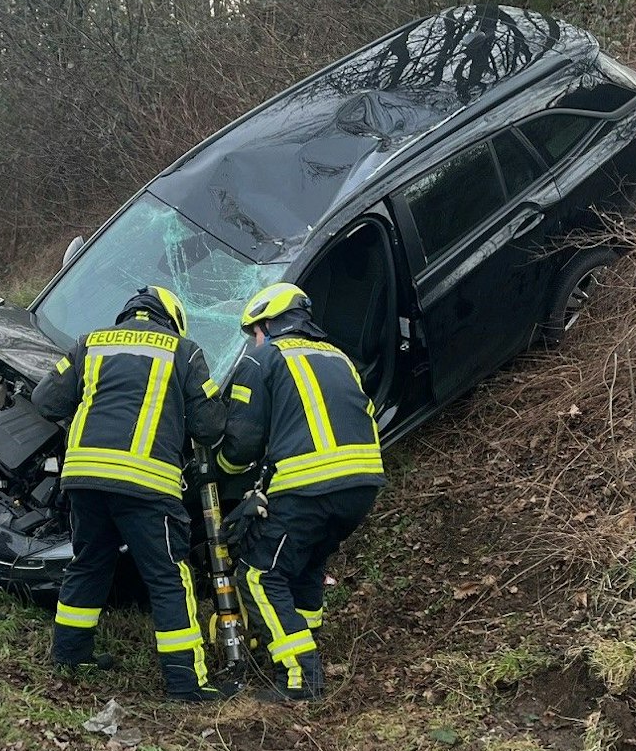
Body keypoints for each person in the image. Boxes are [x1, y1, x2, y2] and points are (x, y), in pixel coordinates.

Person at [31, 286, 235, 702]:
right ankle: (185, 683)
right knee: (168, 578)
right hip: (147, 485)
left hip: (85, 479)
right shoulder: (183, 351)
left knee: (88, 563)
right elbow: (210, 426)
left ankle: (69, 656)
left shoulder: (90, 343)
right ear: (173, 320)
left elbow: (46, 400)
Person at [219, 283, 384, 701]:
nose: (253, 341)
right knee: (306, 567)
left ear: (268, 324)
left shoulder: (264, 357)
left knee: (258, 575)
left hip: (307, 489)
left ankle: (301, 678)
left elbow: (242, 442)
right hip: (360, 487)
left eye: (254, 332)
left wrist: (218, 473)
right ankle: (306, 643)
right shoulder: (339, 357)